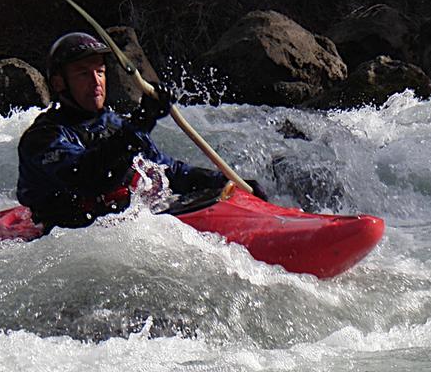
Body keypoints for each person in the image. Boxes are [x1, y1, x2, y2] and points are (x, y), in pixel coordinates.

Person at [17, 32, 262, 230]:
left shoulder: (113, 124)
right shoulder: (43, 138)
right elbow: (88, 178)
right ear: (60, 83)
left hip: (124, 227)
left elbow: (167, 173)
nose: (96, 81)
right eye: (83, 73)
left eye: (100, 72)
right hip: (67, 238)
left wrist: (225, 182)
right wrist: (141, 124)